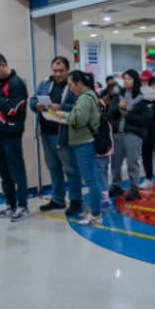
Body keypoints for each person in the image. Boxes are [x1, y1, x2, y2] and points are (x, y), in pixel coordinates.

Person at [0, 52, 31, 222]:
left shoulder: (16, 84)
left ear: (3, 64)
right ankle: (10, 205)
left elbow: (13, 110)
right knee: (4, 172)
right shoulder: (1, 84)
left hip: (12, 134)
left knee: (16, 171)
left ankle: (22, 205)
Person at [56, 70, 103, 225]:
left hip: (84, 143)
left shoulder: (84, 98)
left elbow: (77, 121)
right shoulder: (90, 96)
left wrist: (63, 115)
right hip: (84, 141)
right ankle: (95, 212)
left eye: (71, 85)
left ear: (79, 83)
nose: (70, 89)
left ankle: (96, 214)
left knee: (91, 180)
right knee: (91, 179)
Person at [29, 57, 74, 213]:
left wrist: (60, 106)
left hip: (64, 133)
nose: (58, 74)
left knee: (70, 168)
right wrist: (36, 105)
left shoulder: (73, 85)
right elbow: (32, 99)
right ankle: (58, 199)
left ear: (68, 70)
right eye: (55, 70)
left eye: (61, 70)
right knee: (53, 167)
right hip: (46, 131)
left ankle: (75, 200)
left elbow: (78, 106)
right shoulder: (45, 82)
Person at [108, 69, 153, 201]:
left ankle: (134, 188)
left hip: (133, 134)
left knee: (133, 162)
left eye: (129, 78)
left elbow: (146, 119)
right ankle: (116, 185)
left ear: (135, 80)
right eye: (124, 78)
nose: (125, 81)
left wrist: (128, 114)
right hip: (118, 134)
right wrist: (117, 107)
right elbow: (110, 114)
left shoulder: (143, 98)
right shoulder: (119, 96)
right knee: (115, 163)